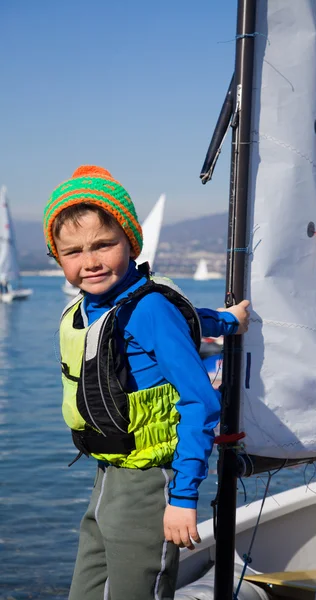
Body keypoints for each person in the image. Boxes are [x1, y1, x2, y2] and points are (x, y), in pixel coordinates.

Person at [43, 165, 250, 600]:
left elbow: (200, 403)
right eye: (73, 252)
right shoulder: (94, 307)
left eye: (104, 245)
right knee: (85, 592)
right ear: (57, 257)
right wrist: (226, 320)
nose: (91, 261)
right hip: (107, 478)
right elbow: (191, 319)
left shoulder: (148, 307)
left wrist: (182, 497)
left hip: (148, 485)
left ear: (131, 243)